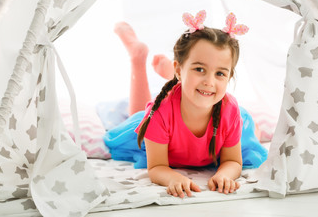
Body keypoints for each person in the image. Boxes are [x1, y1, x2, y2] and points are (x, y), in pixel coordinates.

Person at [106, 10, 266, 198]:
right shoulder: (160, 113)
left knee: (254, 132)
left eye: (220, 74)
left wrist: (224, 175)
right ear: (179, 70)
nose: (210, 81)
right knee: (139, 116)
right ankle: (138, 60)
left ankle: (181, 78)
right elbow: (157, 166)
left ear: (229, 77)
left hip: (220, 119)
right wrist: (172, 177)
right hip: (165, 116)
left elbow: (233, 161)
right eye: (200, 69)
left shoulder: (230, 111)